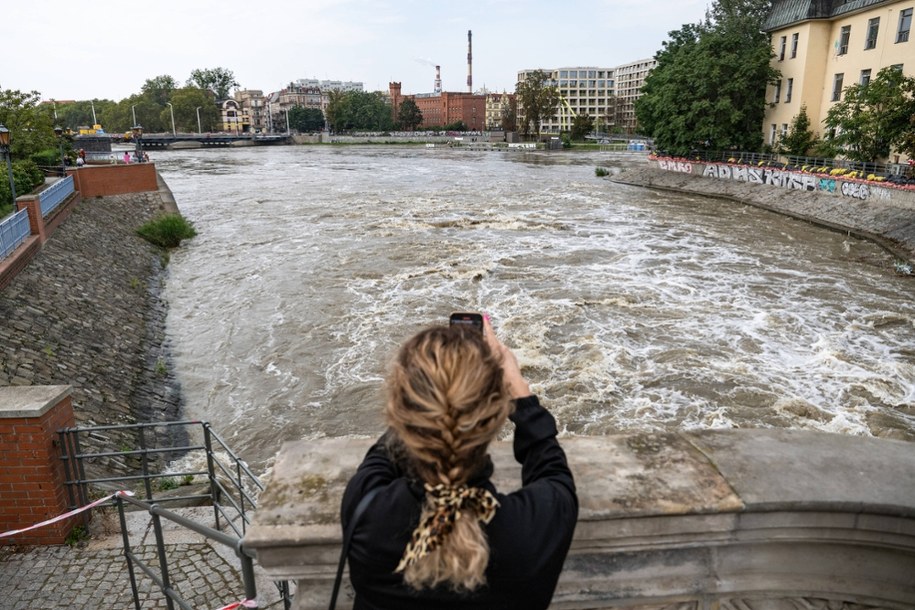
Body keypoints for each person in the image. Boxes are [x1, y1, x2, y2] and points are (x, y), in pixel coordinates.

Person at [341, 315, 578, 610]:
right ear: (497, 414)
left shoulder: (367, 509)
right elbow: (551, 467)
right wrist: (520, 392)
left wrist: (431, 395)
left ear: (401, 411)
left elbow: (382, 455)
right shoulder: (537, 525)